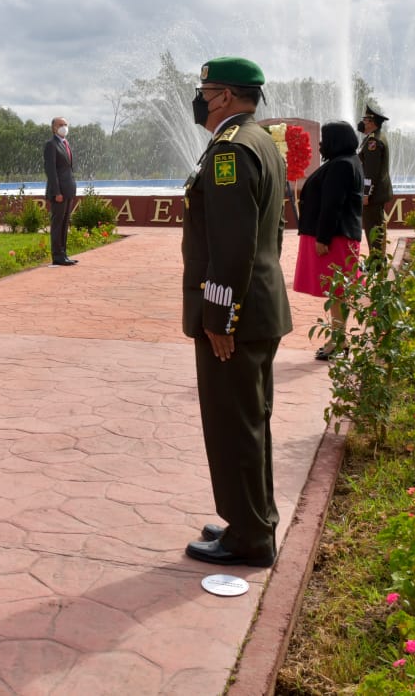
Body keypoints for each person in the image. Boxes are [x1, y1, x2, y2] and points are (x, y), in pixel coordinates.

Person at [182, 57, 292, 569]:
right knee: (251, 421)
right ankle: (253, 517)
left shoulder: (230, 152)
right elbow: (272, 234)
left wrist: (219, 317)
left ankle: (249, 536)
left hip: (237, 317)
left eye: (204, 90)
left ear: (224, 96)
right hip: (259, 308)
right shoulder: (263, 142)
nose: (199, 99)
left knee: (235, 424)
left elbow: (232, 246)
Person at [292, 122, 364, 360]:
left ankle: (339, 340)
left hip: (334, 238)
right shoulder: (346, 162)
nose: (320, 145)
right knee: (338, 293)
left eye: (324, 139)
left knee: (338, 292)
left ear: (336, 140)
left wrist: (323, 237)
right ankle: (338, 338)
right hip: (338, 236)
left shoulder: (341, 165)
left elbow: (332, 204)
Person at [358, 106, 394, 262]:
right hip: (377, 192)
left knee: (373, 227)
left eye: (365, 120)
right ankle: (376, 259)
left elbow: (371, 171)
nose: (362, 123)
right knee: (375, 225)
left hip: (374, 194)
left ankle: (377, 261)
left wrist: (366, 193)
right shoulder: (374, 137)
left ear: (372, 123)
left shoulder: (373, 141)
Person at [44, 116, 77, 266]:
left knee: (65, 223)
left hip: (68, 190)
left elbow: (68, 169)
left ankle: (63, 254)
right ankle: (57, 255)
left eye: (65, 124)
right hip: (59, 193)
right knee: (57, 224)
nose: (64, 127)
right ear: (54, 128)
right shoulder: (51, 145)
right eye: (60, 125)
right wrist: (57, 192)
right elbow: (51, 171)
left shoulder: (66, 143)